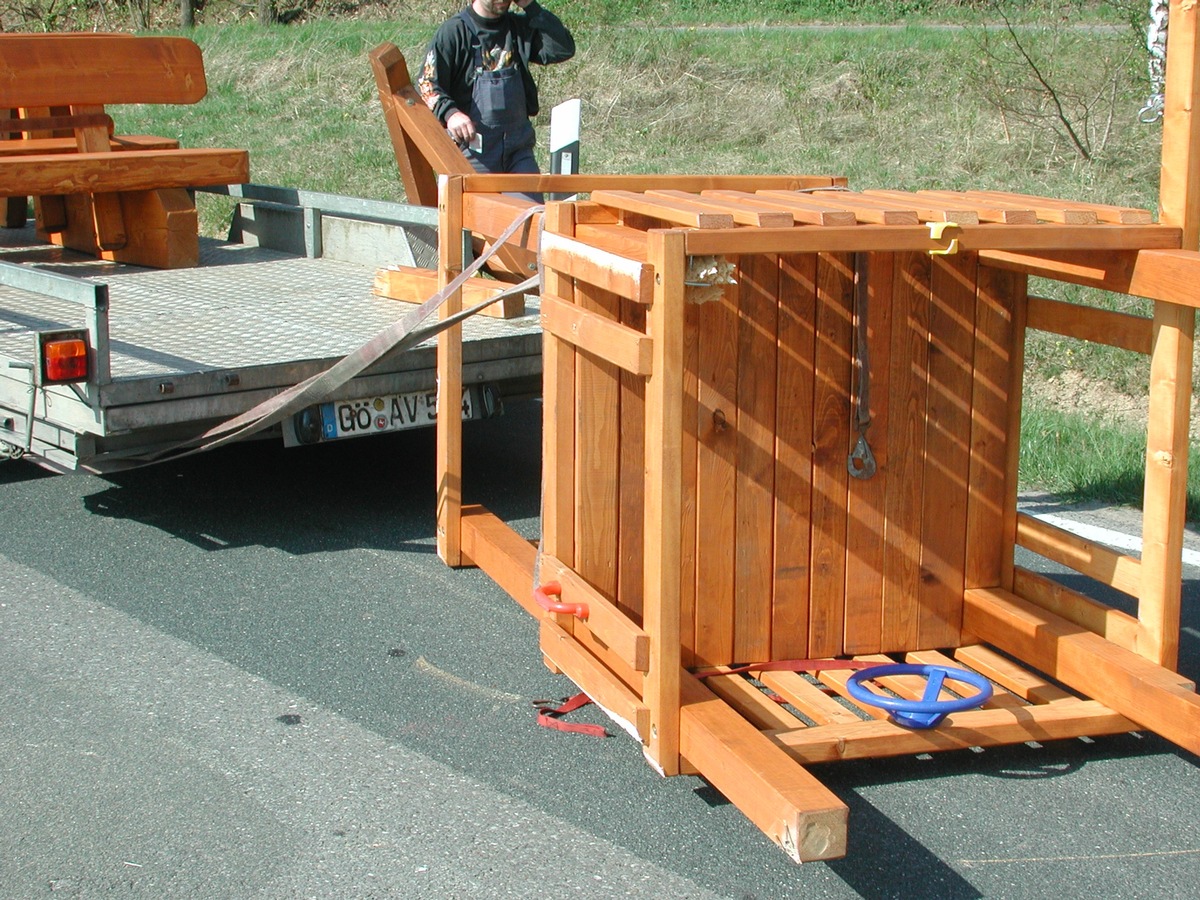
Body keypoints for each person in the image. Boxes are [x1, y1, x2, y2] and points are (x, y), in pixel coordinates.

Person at [417, 0, 575, 199]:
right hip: (473, 153)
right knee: (477, 223)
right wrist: (451, 114)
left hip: (518, 152)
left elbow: (562, 49)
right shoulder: (454, 32)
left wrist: (530, 6)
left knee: (532, 219)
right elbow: (426, 84)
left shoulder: (518, 28)